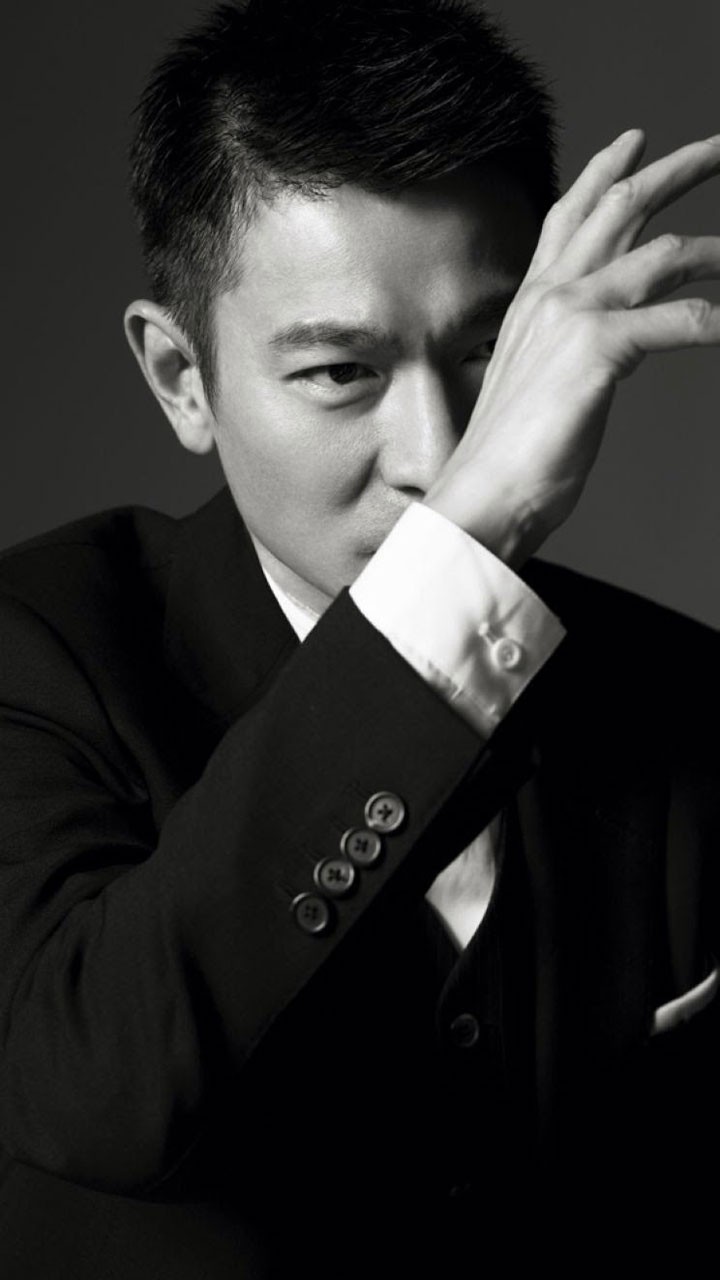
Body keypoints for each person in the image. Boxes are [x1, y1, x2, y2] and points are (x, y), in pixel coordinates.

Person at [0, 0, 718, 1275]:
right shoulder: (36, 649)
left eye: (492, 355)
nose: (439, 455)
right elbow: (97, 1088)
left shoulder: (689, 692)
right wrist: (467, 539)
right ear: (181, 379)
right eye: (341, 373)